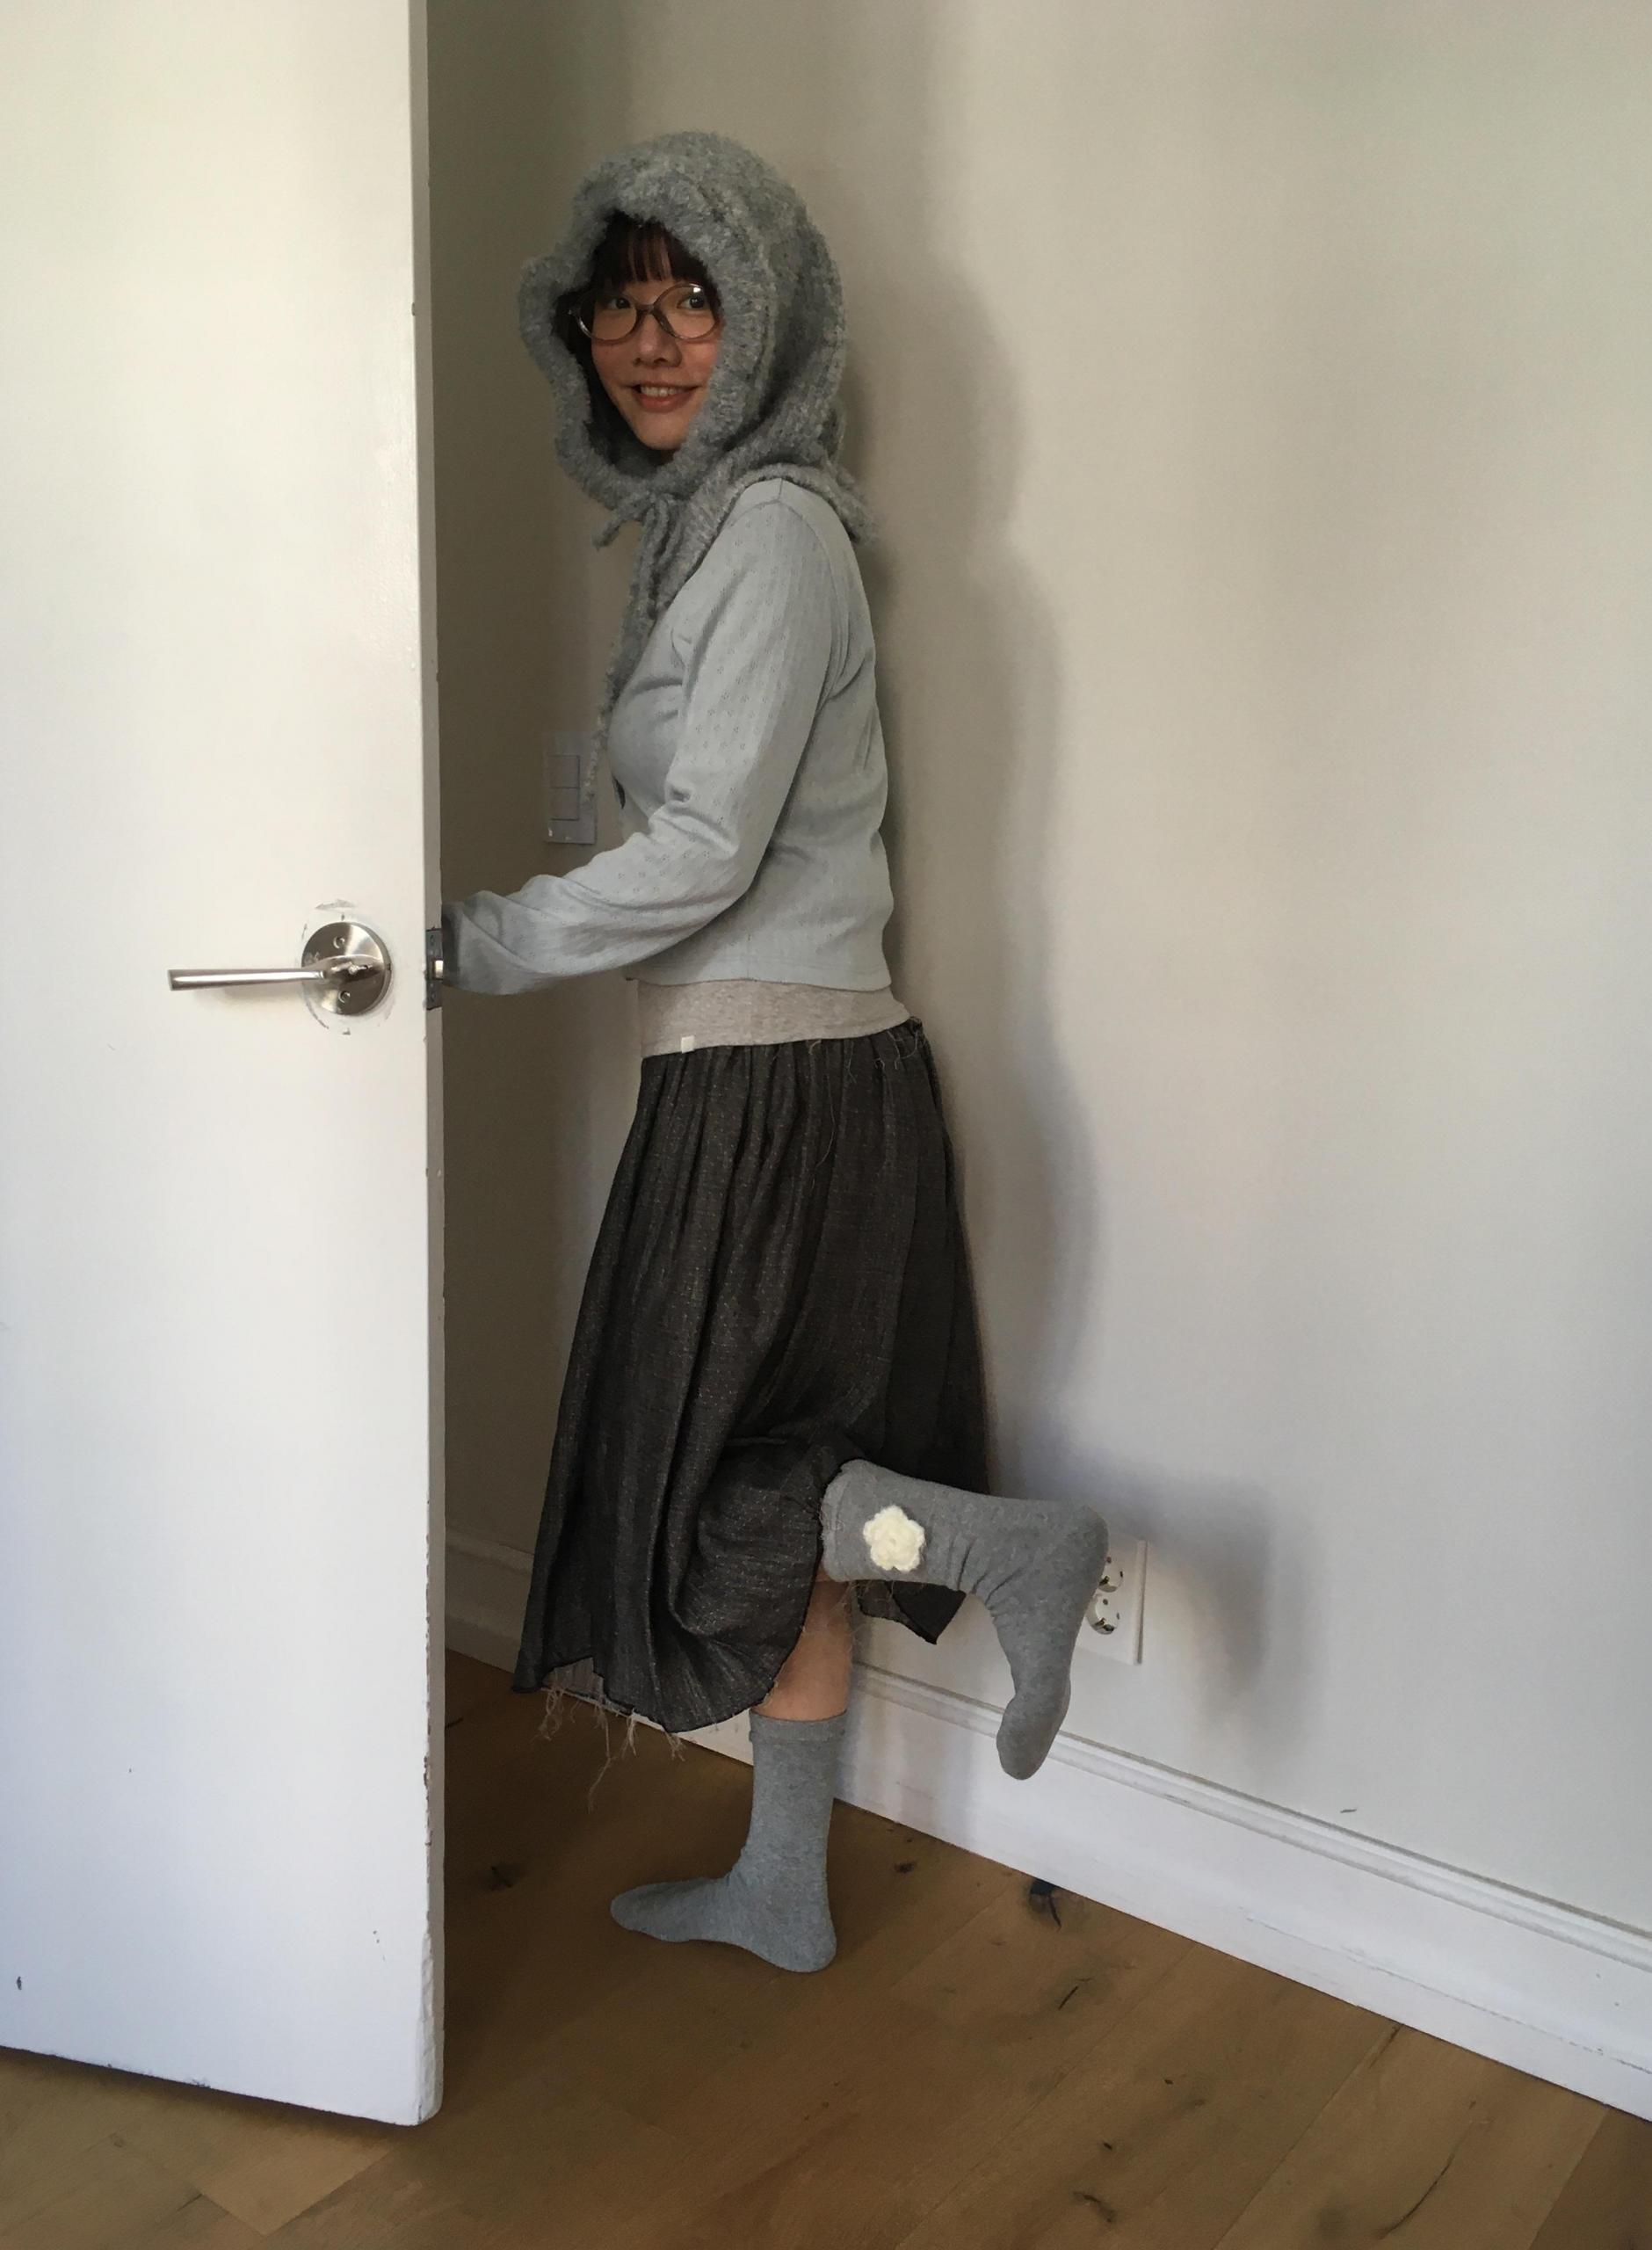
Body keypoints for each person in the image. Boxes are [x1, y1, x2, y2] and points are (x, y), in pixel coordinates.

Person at [439, 131, 1107, 1973]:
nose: (652, 340)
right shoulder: (702, 536)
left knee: (706, 1489)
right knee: (779, 1483)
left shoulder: (778, 534)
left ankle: (1002, 1549)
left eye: (694, 297)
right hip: (768, 1072)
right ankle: (784, 1885)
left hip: (779, 1084)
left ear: (766, 319)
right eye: (619, 304)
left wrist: (469, 942)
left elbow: (703, 852)